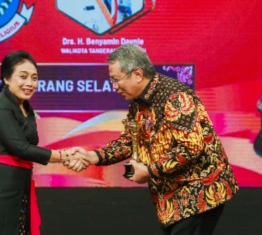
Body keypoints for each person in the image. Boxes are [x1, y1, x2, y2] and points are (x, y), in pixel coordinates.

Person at [67, 45, 238, 235]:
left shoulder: (175, 97)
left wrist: (149, 171)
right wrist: (94, 156)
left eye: (116, 79)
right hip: (172, 199)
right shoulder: (138, 101)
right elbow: (129, 141)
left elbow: (190, 147)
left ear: (137, 74)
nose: (114, 87)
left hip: (198, 193)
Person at [0, 50, 86, 235]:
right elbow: (21, 148)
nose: (30, 83)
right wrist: (65, 156)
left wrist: (65, 156)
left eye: (34, 78)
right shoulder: (0, 106)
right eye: (23, 77)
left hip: (18, 181)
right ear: (7, 79)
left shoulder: (26, 108)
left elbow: (30, 147)